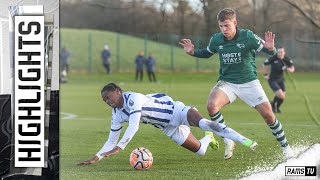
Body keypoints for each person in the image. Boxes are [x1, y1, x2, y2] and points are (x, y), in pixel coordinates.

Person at [179, 8, 294, 159]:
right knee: (211, 106)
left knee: (269, 116)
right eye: (221, 26)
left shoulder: (248, 36)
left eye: (227, 25)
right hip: (227, 82)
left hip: (249, 83)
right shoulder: (216, 39)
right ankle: (228, 140)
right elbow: (207, 52)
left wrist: (271, 49)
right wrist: (192, 52)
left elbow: (269, 52)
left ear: (235, 22)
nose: (223, 29)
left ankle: (286, 148)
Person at [77, 83, 258, 165]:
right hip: (168, 127)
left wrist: (121, 148)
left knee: (203, 122)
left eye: (108, 97)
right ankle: (208, 138)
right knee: (201, 151)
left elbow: (134, 126)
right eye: (104, 100)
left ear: (117, 92)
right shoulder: (116, 114)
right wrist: (97, 157)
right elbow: (110, 140)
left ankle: (244, 140)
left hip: (177, 112)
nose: (106, 101)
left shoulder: (133, 98)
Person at [263, 46, 295, 113]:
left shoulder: (286, 59)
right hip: (272, 80)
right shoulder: (273, 58)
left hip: (281, 80)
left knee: (282, 97)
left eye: (281, 52)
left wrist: (288, 69)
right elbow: (264, 64)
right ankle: (273, 105)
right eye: (278, 52)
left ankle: (276, 107)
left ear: (284, 52)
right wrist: (265, 74)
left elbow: (292, 68)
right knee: (280, 95)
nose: (279, 53)